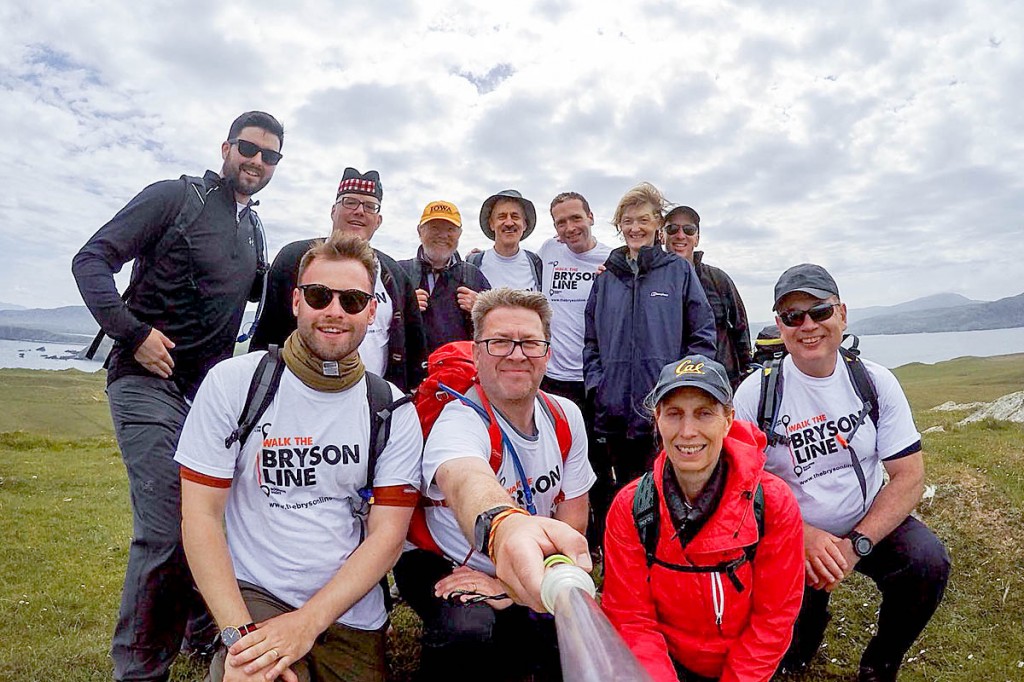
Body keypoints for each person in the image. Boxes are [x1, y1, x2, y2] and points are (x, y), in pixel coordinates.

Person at [72, 110, 284, 681]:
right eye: (249, 148)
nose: (257, 161)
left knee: (214, 518)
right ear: (226, 146)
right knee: (167, 526)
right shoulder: (174, 197)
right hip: (145, 383)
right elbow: (91, 260)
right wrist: (133, 332)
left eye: (270, 156)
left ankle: (198, 634)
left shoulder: (254, 229)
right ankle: (139, 671)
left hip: (206, 398)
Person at [176, 234, 423, 682]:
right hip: (257, 593)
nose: (333, 311)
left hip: (349, 608)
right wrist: (239, 636)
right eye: (318, 295)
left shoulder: (391, 407)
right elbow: (200, 517)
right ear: (295, 302)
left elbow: (387, 537)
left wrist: (305, 625)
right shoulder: (234, 384)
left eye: (351, 300)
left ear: (371, 310)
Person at [733, 264, 951, 682]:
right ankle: (805, 627)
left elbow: (908, 476)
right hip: (790, 533)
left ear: (842, 314)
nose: (808, 325)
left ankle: (879, 664)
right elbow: (743, 487)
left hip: (863, 522)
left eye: (819, 311)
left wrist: (856, 546)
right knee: (791, 652)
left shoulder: (874, 381)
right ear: (780, 326)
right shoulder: (756, 393)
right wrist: (803, 536)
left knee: (927, 562)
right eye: (793, 316)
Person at [393, 288, 596, 681]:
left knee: (556, 631)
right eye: (499, 342)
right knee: (468, 630)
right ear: (477, 352)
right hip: (443, 558)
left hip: (522, 561)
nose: (516, 354)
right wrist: (506, 534)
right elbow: (466, 480)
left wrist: (508, 585)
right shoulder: (459, 420)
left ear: (547, 353)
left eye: (530, 343)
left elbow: (572, 520)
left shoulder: (565, 415)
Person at [603, 355, 804, 682]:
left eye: (704, 413)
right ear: (657, 420)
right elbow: (631, 619)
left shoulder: (772, 501)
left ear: (728, 420)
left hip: (746, 665)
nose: (687, 431)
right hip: (666, 663)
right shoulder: (630, 507)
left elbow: (774, 617)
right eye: (674, 414)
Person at [583, 182, 716, 539]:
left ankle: (668, 566)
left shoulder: (678, 272)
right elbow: (591, 342)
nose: (634, 228)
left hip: (663, 412)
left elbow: (702, 336)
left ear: (657, 224)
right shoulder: (606, 278)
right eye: (627, 221)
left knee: (667, 493)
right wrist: (599, 386)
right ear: (618, 225)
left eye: (643, 219)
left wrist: (681, 394)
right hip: (614, 411)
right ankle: (625, 568)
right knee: (625, 496)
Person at [249, 167, 427, 391]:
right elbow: (266, 335)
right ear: (333, 210)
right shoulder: (293, 259)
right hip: (296, 394)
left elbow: (414, 344)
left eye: (369, 206)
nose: (359, 211)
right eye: (350, 202)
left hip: (372, 405)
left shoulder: (396, 275)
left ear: (378, 220)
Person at [662, 206, 752, 388]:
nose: (680, 235)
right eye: (672, 229)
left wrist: (744, 377)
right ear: (662, 235)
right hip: (668, 386)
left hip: (718, 384)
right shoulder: (649, 281)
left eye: (688, 230)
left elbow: (740, 330)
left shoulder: (718, 280)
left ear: (697, 238)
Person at [537, 191, 612, 405]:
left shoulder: (611, 258)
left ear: (591, 217)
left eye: (576, 218)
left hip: (596, 376)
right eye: (561, 222)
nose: (570, 228)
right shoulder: (549, 249)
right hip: (552, 377)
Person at [400, 200, 490, 354]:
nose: (442, 235)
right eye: (434, 228)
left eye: (450, 229)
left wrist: (482, 308)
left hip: (459, 372)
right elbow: (375, 321)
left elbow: (497, 325)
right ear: (419, 231)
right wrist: (403, 306)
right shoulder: (399, 272)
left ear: (459, 234)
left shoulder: (473, 275)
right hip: (411, 374)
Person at [467, 189, 542, 291]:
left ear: (525, 225)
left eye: (515, 217)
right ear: (491, 224)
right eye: (502, 217)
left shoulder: (536, 264)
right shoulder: (474, 264)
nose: (509, 223)